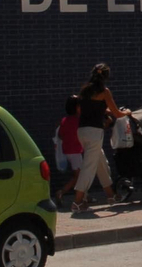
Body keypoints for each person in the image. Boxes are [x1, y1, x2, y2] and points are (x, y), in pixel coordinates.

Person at [72, 63, 130, 213]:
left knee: (100, 162)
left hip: (82, 131)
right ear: (106, 77)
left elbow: (88, 108)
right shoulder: (104, 92)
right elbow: (117, 113)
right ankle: (77, 202)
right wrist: (128, 113)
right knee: (88, 167)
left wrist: (105, 111)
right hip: (94, 132)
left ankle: (110, 196)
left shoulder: (85, 90)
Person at [51, 95, 84, 205]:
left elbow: (60, 135)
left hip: (67, 151)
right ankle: (61, 192)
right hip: (75, 151)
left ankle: (84, 196)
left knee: (79, 175)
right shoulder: (78, 121)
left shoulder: (65, 120)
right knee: (79, 176)